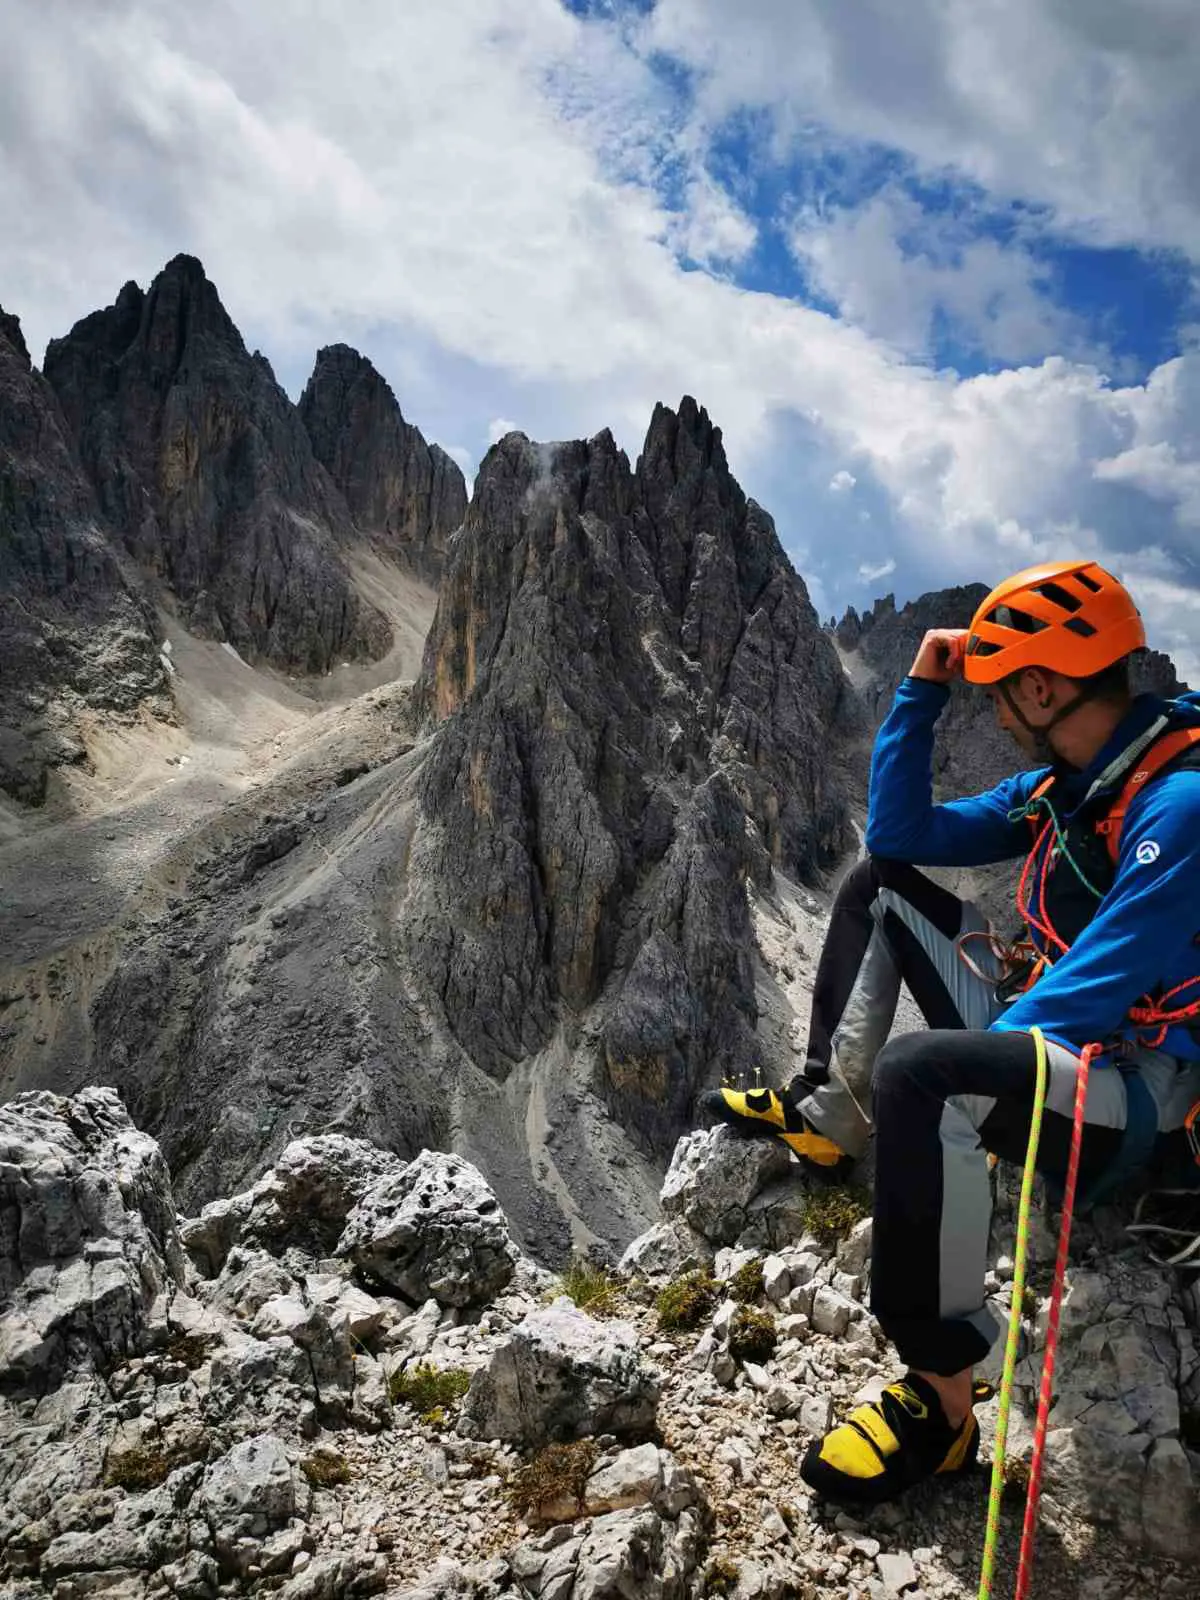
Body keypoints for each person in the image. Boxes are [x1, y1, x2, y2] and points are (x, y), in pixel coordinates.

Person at [704, 559, 1200, 1505]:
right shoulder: (1068, 787)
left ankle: (942, 1409)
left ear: (1042, 688)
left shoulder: (1179, 807)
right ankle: (828, 1114)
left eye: (1000, 690)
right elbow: (898, 835)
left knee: (926, 1076)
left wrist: (964, 1071)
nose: (997, 710)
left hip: (1144, 1099)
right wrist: (920, 689)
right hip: (1079, 1050)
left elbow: (1092, 992)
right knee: (878, 887)